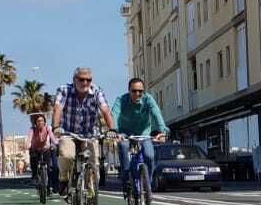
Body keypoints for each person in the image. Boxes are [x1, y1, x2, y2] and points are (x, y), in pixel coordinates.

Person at [51, 66, 115, 195]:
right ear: (74, 79)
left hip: (90, 134)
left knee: (94, 164)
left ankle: (92, 196)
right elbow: (58, 108)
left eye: (88, 80)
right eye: (81, 79)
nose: (85, 83)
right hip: (69, 132)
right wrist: (56, 127)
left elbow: (105, 110)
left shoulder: (96, 91)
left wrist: (112, 129)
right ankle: (63, 178)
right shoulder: (64, 90)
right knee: (67, 154)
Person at [114, 77, 168, 190]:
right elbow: (114, 114)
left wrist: (162, 131)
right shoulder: (121, 100)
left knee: (149, 155)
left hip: (143, 133)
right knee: (123, 147)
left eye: (140, 91)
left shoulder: (148, 100)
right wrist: (114, 131)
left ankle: (147, 181)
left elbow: (156, 114)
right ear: (129, 90)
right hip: (125, 133)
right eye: (134, 91)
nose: (137, 94)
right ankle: (126, 179)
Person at [26, 113, 59, 191]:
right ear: (35, 122)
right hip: (35, 149)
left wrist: (56, 143)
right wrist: (27, 145)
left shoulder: (47, 128)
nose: (40, 122)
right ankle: (34, 175)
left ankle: (48, 185)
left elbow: (52, 136)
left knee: (48, 168)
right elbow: (29, 138)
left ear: (44, 122)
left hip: (45, 149)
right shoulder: (33, 129)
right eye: (38, 121)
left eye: (42, 121)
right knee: (33, 159)